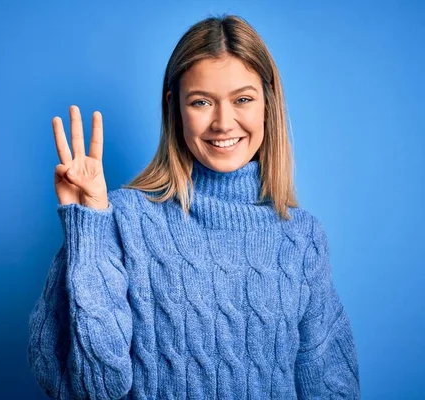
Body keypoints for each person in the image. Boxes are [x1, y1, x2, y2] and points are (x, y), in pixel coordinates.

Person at [28, 14, 360, 399]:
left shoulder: (302, 237)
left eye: (243, 99)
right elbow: (95, 388)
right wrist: (86, 227)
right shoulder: (118, 219)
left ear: (268, 103)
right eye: (201, 102)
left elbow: (331, 386)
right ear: (175, 108)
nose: (223, 122)